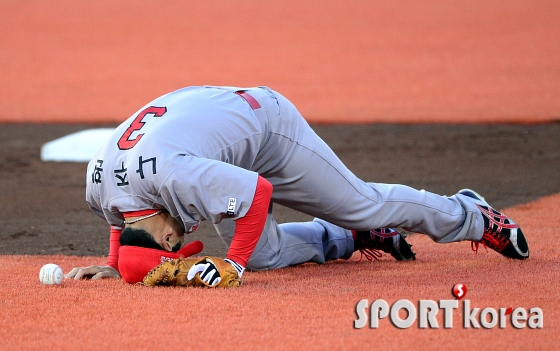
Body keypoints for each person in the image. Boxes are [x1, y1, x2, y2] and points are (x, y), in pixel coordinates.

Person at [66, 86, 529, 283]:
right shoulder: (98, 182)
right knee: (264, 254)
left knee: (361, 203)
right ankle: (347, 239)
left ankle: (470, 213)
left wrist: (232, 265)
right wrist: (116, 263)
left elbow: (256, 192)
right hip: (210, 125)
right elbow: (117, 218)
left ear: (169, 238)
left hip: (268, 129)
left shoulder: (177, 177)